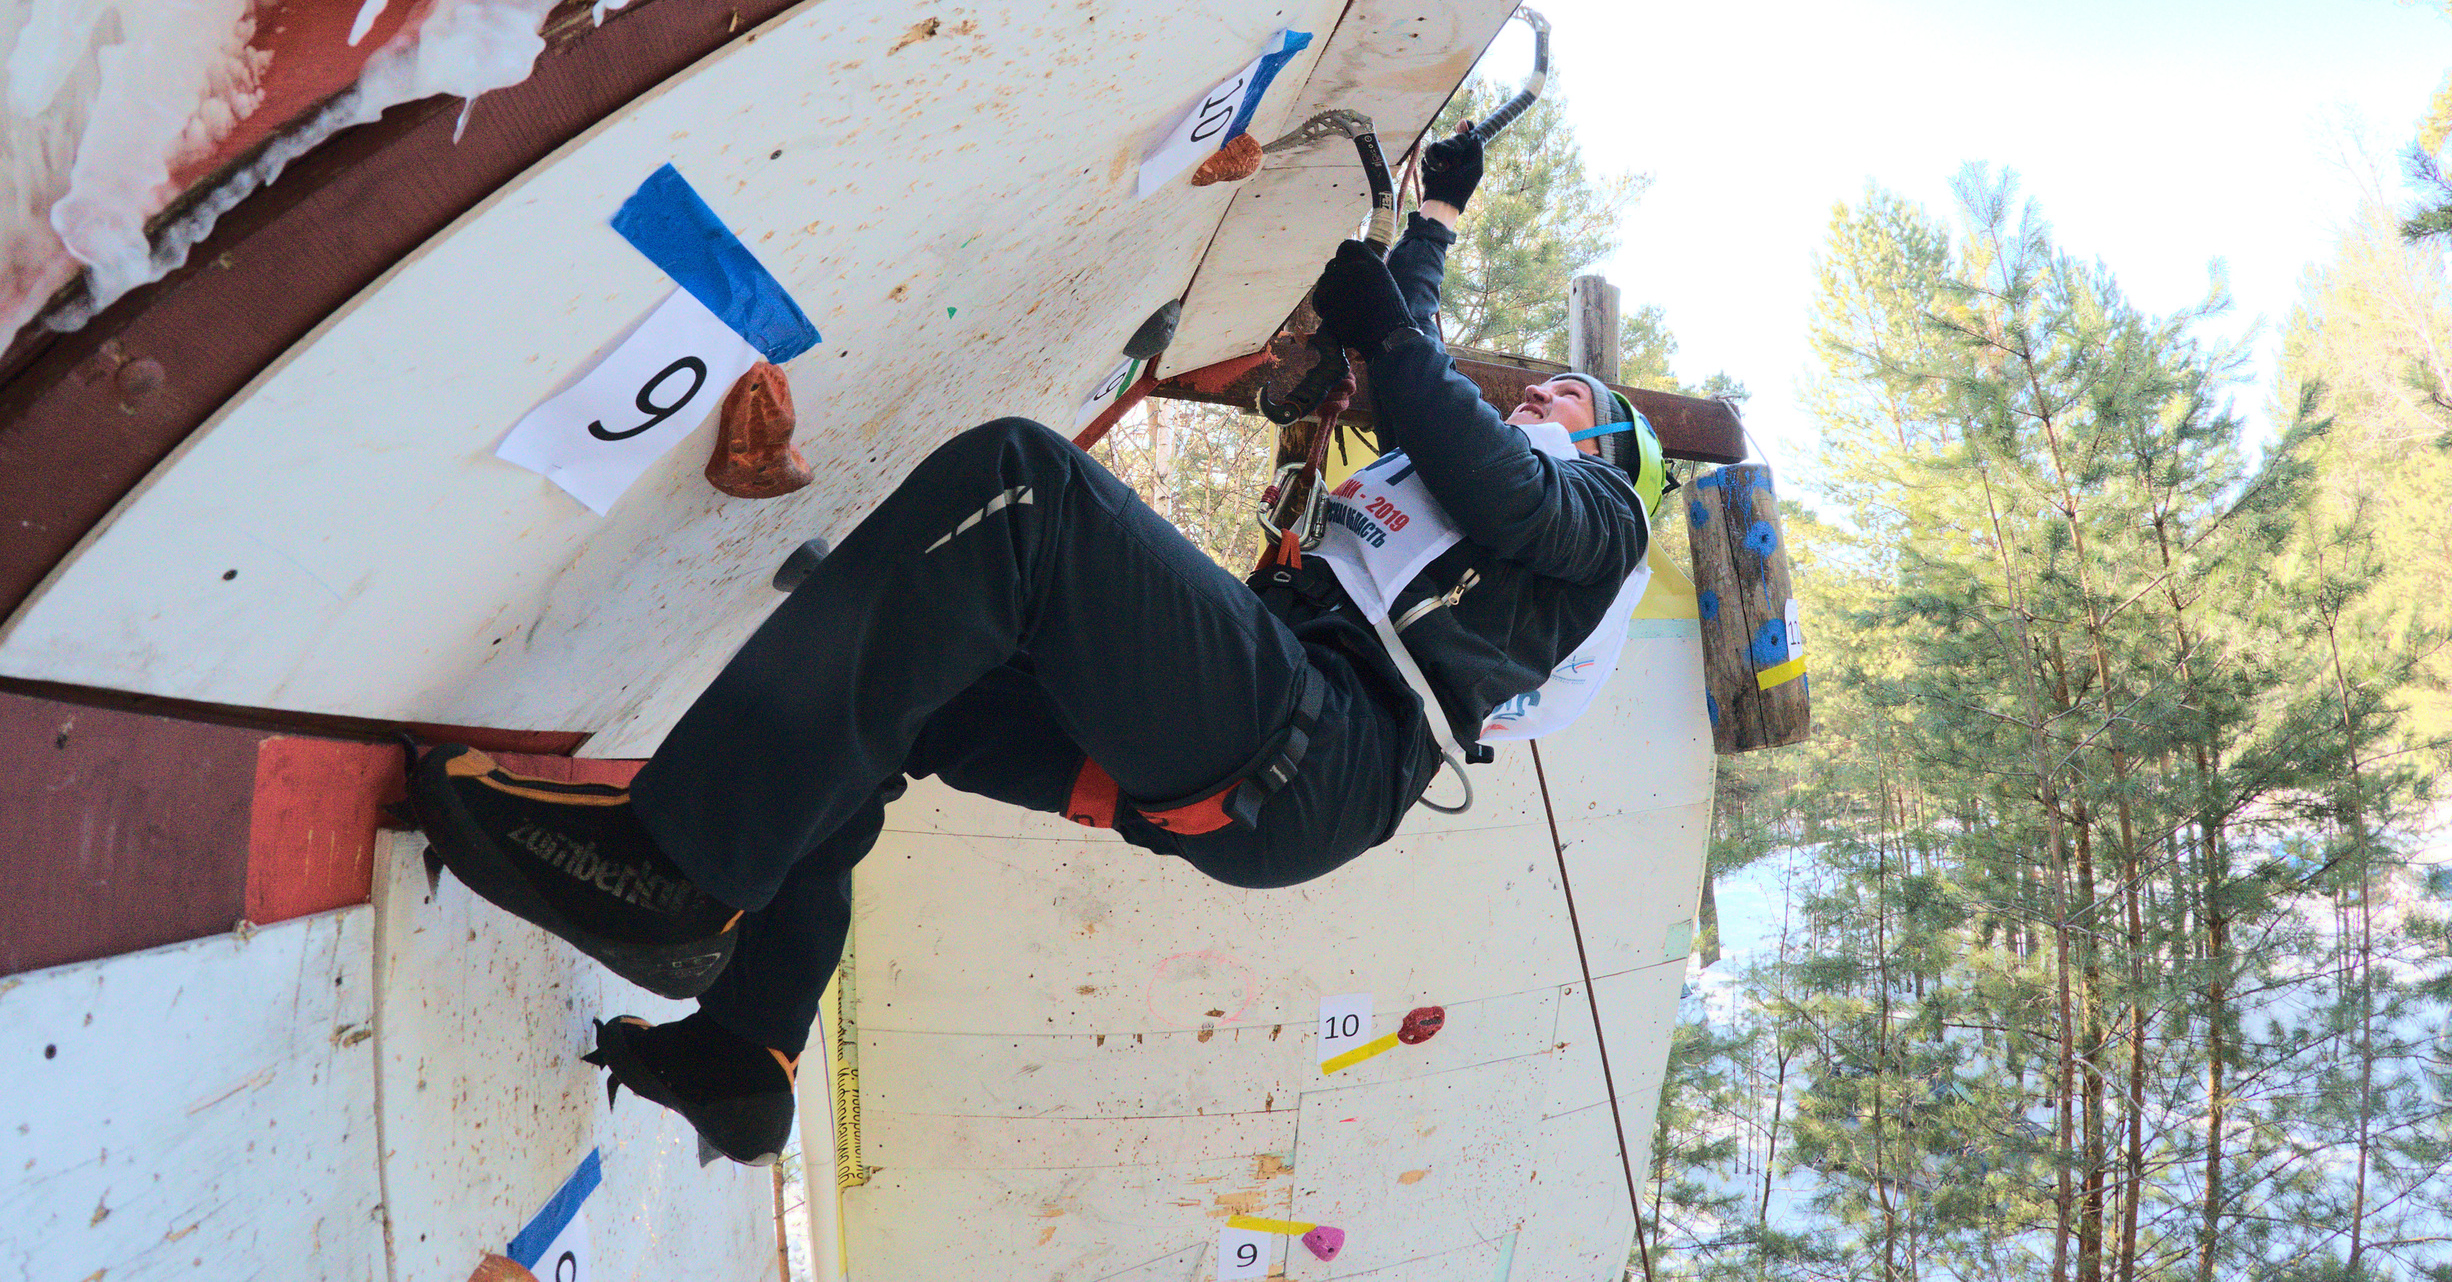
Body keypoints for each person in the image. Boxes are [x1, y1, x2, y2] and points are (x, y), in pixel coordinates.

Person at [403, 127, 1666, 1165]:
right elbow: (1434, 368)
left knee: (1024, 488)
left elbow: (1480, 451)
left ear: (1611, 454)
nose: (1540, 392)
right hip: (1270, 752)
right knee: (921, 687)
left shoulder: (1595, 524)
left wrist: (1388, 338)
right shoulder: (1460, 463)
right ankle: (748, 1048)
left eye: (1570, 398)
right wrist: (1433, 224)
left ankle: (678, 865)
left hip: (1314, 745)